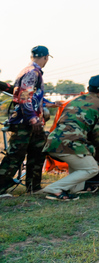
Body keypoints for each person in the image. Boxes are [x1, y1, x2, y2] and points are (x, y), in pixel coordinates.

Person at [40, 75, 99, 201]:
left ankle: (75, 189)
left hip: (53, 141)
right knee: (92, 169)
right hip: (71, 143)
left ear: (88, 87)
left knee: (79, 161)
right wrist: (92, 145)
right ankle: (54, 188)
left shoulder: (74, 101)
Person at [0, 46, 52, 197]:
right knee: (16, 155)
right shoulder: (32, 72)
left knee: (38, 151)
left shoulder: (30, 71)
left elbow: (31, 96)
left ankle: (33, 187)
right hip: (26, 121)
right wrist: (33, 118)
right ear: (46, 57)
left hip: (32, 120)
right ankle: (1, 187)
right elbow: (24, 97)